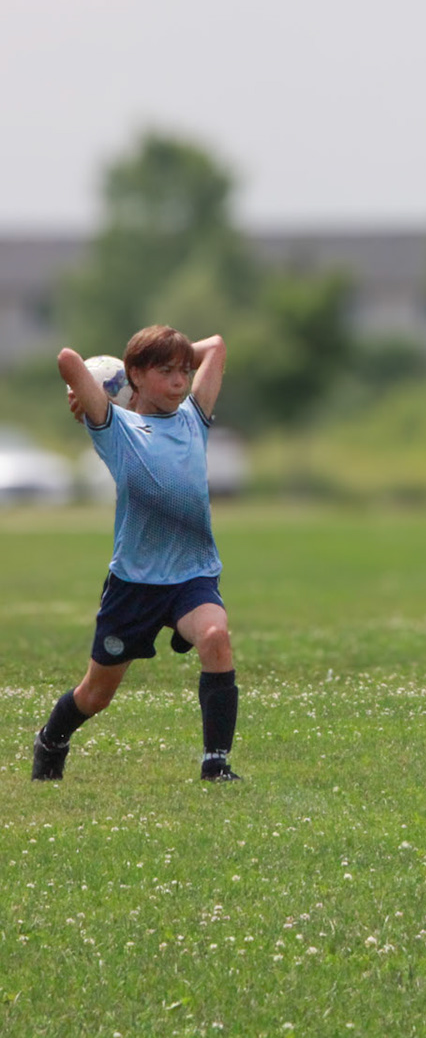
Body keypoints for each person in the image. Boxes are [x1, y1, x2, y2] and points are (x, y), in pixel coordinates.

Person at [30, 326, 242, 783]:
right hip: (135, 584)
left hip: (192, 574)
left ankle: (216, 765)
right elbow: (67, 358)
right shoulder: (116, 427)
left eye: (184, 371)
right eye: (165, 372)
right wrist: (96, 382)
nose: (180, 381)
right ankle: (51, 740)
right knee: (96, 695)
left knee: (215, 637)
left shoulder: (194, 417)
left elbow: (216, 346)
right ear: (136, 377)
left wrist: (168, 355)